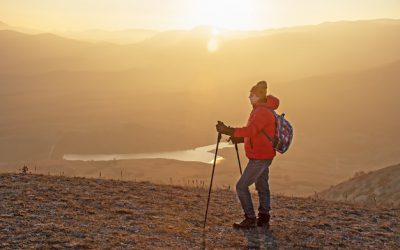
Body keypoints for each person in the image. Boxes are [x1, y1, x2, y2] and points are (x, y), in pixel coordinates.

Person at [216, 80, 279, 229]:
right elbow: (257, 133)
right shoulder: (262, 109)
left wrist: (228, 130)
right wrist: (239, 138)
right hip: (264, 154)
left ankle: (250, 218)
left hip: (260, 157)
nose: (249, 97)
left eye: (252, 95)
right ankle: (264, 218)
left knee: (241, 186)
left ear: (258, 96)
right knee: (262, 185)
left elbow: (251, 131)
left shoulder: (262, 112)